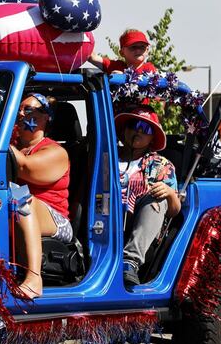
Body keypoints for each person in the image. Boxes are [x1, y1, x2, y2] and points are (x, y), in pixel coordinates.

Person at [10, 93, 74, 299]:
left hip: (56, 221)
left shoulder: (56, 152)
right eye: (18, 109)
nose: (21, 114)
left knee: (22, 198)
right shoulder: (18, 148)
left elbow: (24, 167)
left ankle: (34, 278)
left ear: (46, 117)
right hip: (14, 212)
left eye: (28, 110)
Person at [114, 105, 181, 287]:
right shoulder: (107, 156)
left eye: (146, 129)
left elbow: (174, 210)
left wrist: (169, 193)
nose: (138, 131)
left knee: (157, 198)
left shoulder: (161, 164)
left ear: (152, 137)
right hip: (105, 218)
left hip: (138, 227)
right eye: (133, 125)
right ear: (124, 130)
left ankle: (130, 262)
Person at [88, 29, 158, 75]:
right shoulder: (117, 66)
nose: (138, 50)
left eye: (142, 47)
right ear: (122, 53)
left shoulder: (149, 68)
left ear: (147, 50)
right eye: (133, 47)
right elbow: (92, 57)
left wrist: (124, 77)